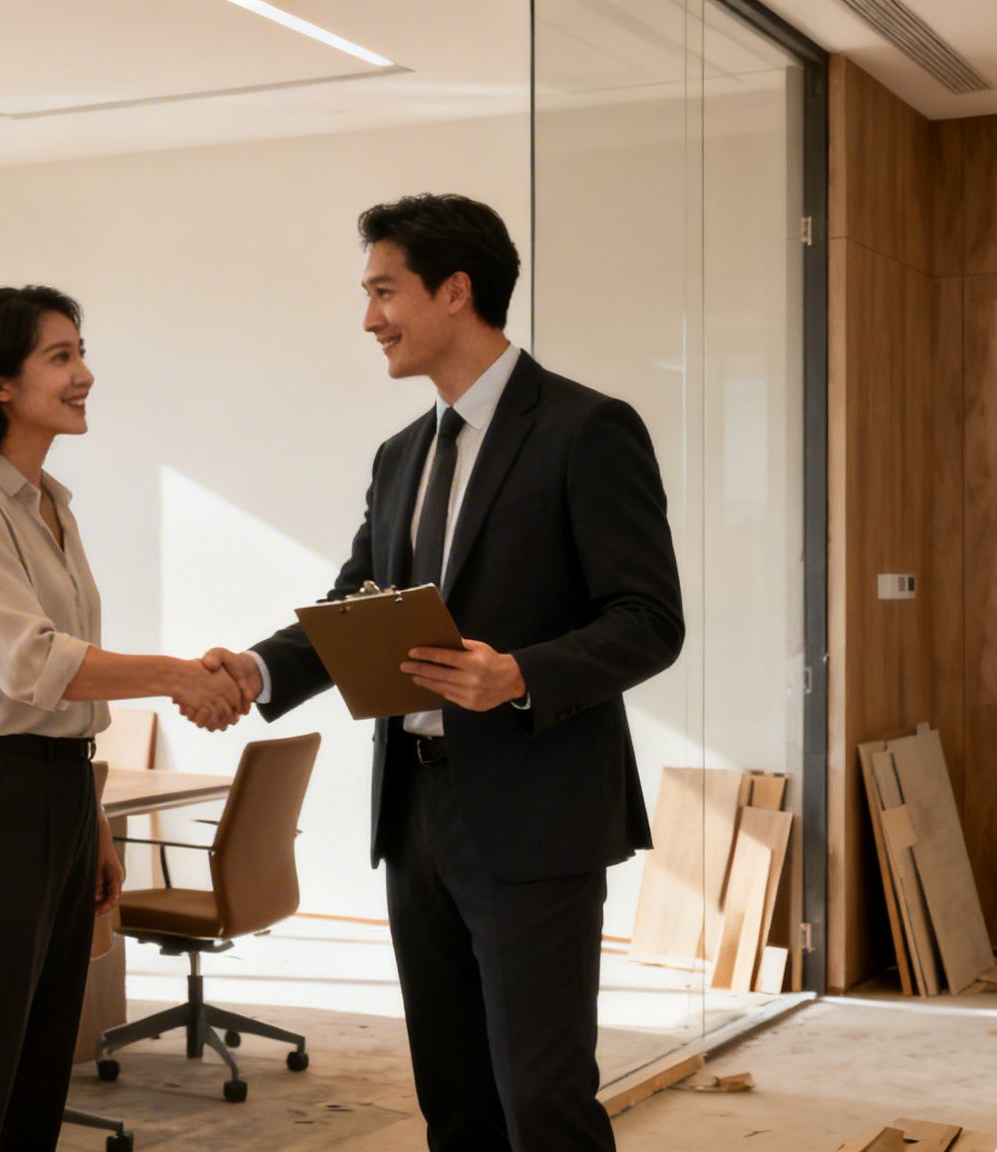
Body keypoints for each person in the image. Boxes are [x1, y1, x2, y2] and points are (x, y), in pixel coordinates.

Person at [205, 194, 684, 1150]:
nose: (369, 318)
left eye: (384, 291)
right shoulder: (400, 457)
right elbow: (354, 610)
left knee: (543, 1103)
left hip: (536, 813)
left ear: (456, 291)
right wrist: (256, 670)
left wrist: (520, 674)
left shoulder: (588, 430)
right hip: (416, 815)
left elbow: (650, 622)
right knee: (453, 1102)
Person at [0, 285, 243, 1151]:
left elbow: (64, 696)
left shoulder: (52, 504)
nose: (85, 373)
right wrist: (177, 676)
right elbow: (32, 662)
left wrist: (89, 816)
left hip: (52, 792)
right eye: (60, 356)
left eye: (80, 351)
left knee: (40, 1073)